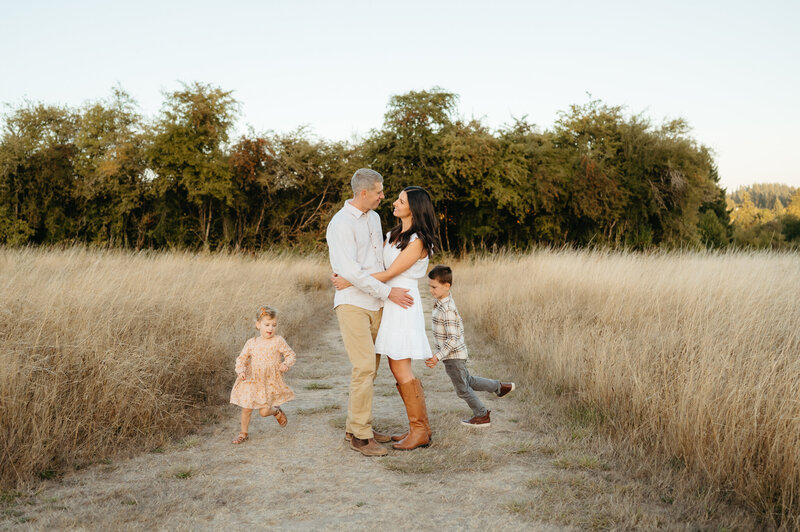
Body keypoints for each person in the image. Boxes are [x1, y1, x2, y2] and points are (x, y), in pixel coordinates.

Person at [334, 186, 439, 451]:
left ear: (413, 208)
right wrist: (352, 276)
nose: (393, 202)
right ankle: (419, 429)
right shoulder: (393, 233)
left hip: (402, 301)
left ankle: (419, 431)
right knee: (395, 367)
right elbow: (377, 267)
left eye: (400, 201)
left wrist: (351, 280)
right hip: (387, 300)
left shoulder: (418, 240)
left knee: (401, 367)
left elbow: (391, 272)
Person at [326, 169, 414, 457]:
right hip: (352, 302)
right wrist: (388, 291)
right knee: (363, 367)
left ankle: (355, 426)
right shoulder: (340, 224)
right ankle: (361, 438)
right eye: (379, 191)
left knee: (370, 370)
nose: (382, 196)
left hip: (376, 304)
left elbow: (376, 263)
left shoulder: (375, 219)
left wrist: (384, 294)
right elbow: (351, 272)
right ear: (363, 193)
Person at [423, 265, 515, 427]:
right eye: (429, 286)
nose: (431, 290)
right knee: (468, 381)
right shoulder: (442, 303)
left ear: (447, 286)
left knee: (462, 389)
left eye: (434, 287)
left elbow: (452, 339)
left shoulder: (447, 309)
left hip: (453, 357)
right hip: (454, 356)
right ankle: (499, 387)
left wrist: (437, 356)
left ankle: (482, 415)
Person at [230, 306, 296, 444]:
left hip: (269, 381)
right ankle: (243, 433)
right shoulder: (251, 342)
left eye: (274, 325)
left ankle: (276, 412)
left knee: (264, 412)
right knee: (247, 408)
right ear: (258, 325)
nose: (270, 328)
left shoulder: (278, 340)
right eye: (267, 325)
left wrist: (286, 364)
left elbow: (290, 354)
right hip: (252, 379)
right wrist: (241, 370)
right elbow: (241, 359)